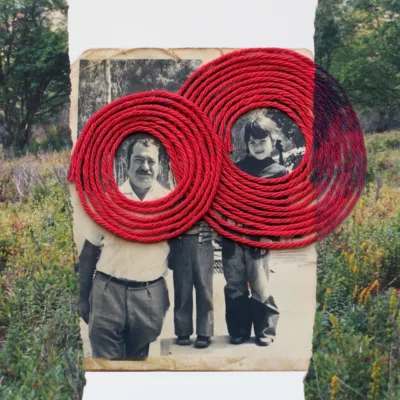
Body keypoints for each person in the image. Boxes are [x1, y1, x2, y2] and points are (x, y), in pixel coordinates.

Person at [78, 133, 171, 360]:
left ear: (160, 166)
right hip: (108, 292)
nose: (145, 167)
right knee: (107, 369)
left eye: (151, 161)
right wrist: (82, 297)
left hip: (150, 296)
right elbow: (88, 253)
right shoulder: (108, 200)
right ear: (126, 164)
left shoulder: (171, 203)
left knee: (137, 365)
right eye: (139, 160)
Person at [223, 114, 286, 347]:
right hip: (233, 238)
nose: (258, 146)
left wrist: (268, 235)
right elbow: (225, 203)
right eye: (252, 142)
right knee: (235, 285)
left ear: (272, 140)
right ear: (246, 145)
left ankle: (265, 330)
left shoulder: (279, 172)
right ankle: (238, 330)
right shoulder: (236, 169)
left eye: (262, 141)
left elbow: (281, 210)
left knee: (260, 285)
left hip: (259, 238)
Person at [168, 221, 215, 349]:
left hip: (202, 240)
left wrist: (213, 231)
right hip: (179, 241)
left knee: (204, 289)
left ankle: (204, 332)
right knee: (182, 290)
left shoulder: (206, 199)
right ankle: (182, 331)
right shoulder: (173, 199)